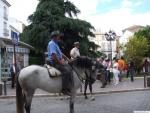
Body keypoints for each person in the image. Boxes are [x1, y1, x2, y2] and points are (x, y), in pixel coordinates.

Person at [47, 31, 73, 95]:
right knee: (66, 72)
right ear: (54, 37)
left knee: (70, 68)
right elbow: (53, 56)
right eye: (58, 36)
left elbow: (60, 53)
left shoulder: (55, 44)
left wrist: (67, 58)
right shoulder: (52, 44)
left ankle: (69, 86)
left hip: (57, 61)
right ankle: (64, 90)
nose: (59, 38)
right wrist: (60, 62)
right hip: (54, 62)